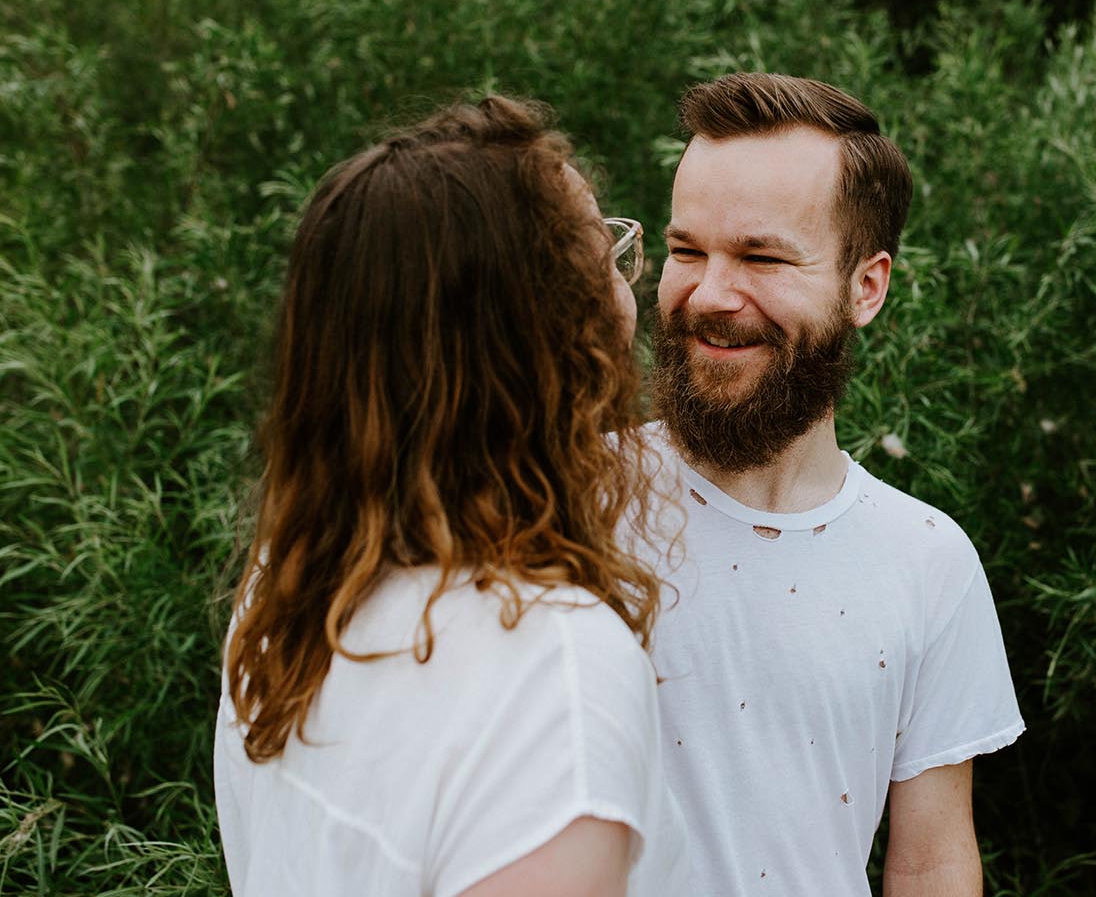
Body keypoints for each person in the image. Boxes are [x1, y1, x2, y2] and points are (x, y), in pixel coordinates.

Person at [213, 95, 688, 897]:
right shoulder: (553, 673)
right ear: (543, 344)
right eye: (604, 257)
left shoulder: (289, 590)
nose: (630, 292)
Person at [647, 72, 1025, 896]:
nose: (709, 293)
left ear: (867, 286)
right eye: (686, 251)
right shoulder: (566, 496)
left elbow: (930, 862)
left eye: (761, 256)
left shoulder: (930, 562)